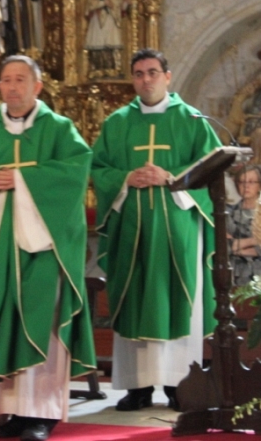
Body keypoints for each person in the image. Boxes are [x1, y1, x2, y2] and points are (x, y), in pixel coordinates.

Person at [0, 55, 95, 441]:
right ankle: (10, 411)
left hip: (42, 247)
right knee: (1, 323)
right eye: (6, 80)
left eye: (21, 80)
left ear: (37, 86)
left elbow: (76, 172)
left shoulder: (60, 129)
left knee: (40, 322)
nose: (12, 87)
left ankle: (40, 414)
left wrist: (24, 180)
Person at [91, 48, 222, 412]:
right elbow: (98, 168)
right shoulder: (116, 123)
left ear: (167, 76)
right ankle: (138, 387)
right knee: (134, 298)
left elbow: (211, 167)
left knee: (176, 300)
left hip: (176, 229)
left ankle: (179, 384)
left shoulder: (192, 119)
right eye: (138, 73)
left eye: (152, 72)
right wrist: (125, 177)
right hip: (132, 228)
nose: (145, 79)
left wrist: (171, 177)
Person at [83, 0, 130, 79]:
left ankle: (112, 69)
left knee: (110, 46)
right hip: (98, 23)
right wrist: (103, 3)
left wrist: (126, 3)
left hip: (110, 23)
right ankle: (97, 69)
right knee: (98, 46)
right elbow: (88, 8)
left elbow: (120, 7)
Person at [227, 164, 261, 286]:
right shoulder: (226, 213)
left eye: (252, 182)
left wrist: (237, 245)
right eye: (241, 182)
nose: (246, 186)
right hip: (235, 277)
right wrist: (254, 240)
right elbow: (224, 247)